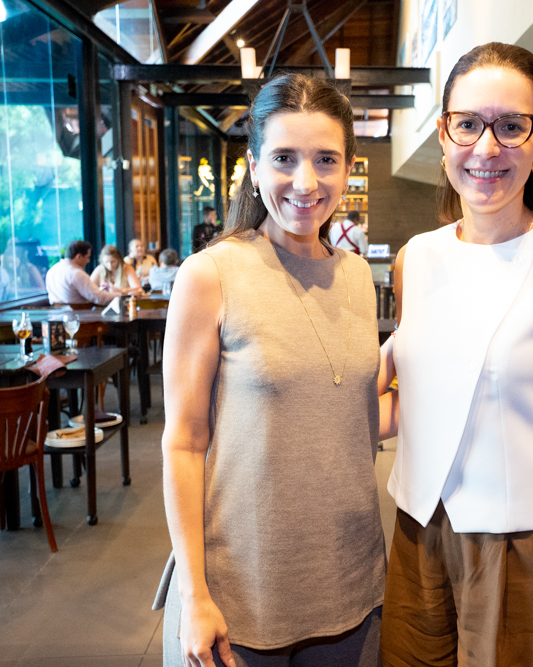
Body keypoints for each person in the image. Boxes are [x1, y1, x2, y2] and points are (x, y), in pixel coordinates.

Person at [380, 42, 533, 667]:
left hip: (523, 547)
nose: (486, 148)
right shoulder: (416, 258)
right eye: (468, 124)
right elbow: (421, 403)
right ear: (443, 133)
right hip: (414, 535)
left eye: (512, 127)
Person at [155, 74, 385, 667]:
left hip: (348, 576)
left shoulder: (359, 277)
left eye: (325, 160)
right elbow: (183, 443)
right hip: (244, 583)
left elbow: (348, 413)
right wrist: (194, 593)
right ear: (254, 167)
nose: (305, 182)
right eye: (284, 158)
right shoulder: (211, 275)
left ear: (347, 168)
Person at [45, 240, 120, 306]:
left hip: (56, 317)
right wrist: (120, 295)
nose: (88, 261)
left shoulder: (52, 270)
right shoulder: (77, 274)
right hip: (80, 318)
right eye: (87, 257)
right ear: (79, 257)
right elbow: (99, 298)